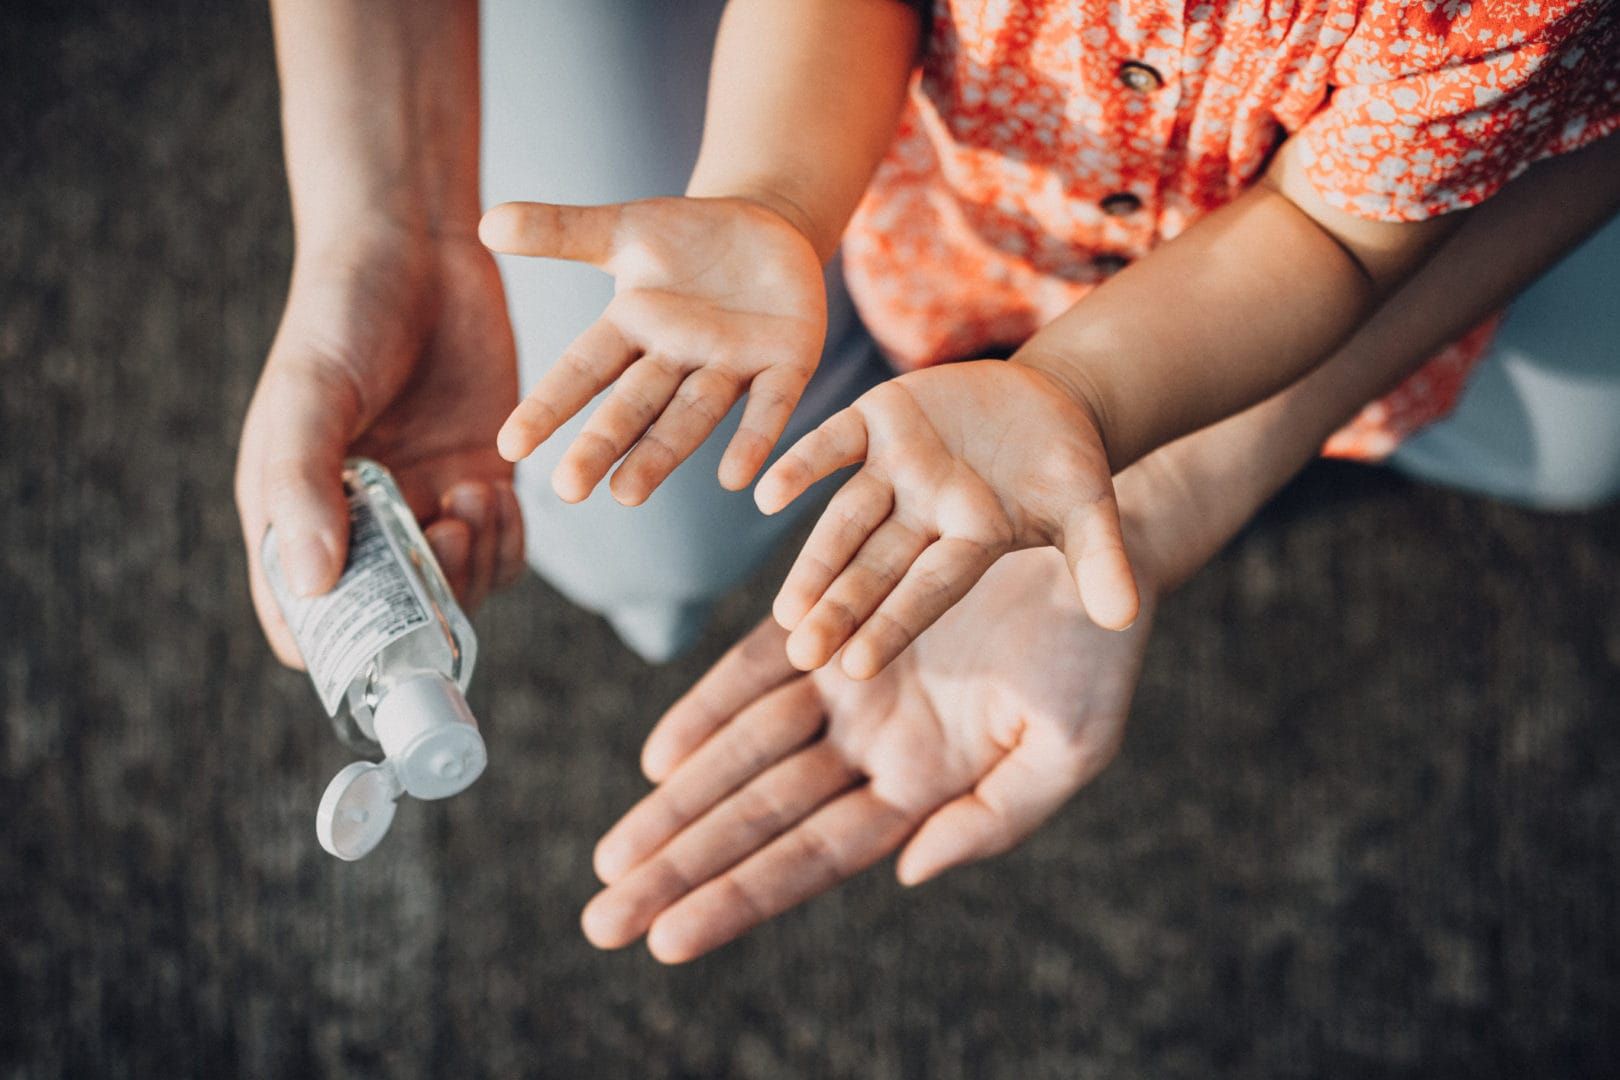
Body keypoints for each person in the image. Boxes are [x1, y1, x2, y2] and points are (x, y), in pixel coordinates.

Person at [238, 0, 1620, 960]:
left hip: (1247, 259)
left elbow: (1335, 236)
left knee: (1575, 445)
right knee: (616, 524)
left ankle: (1145, 442)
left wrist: (1092, 406)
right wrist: (772, 196)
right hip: (937, 212)